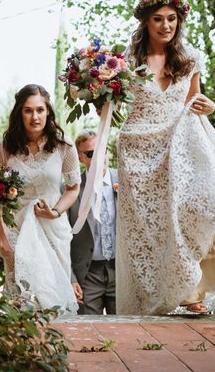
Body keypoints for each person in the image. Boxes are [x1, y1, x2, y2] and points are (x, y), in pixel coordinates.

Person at [116, 0, 215, 315]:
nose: (165, 25)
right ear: (145, 22)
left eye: (171, 19)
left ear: (179, 21)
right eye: (157, 19)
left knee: (190, 212)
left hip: (177, 146)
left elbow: (194, 100)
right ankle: (150, 298)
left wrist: (209, 105)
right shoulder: (126, 62)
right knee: (148, 227)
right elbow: (115, 105)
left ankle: (191, 291)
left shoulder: (190, 59)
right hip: (136, 151)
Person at [0, 84, 81, 314]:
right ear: (19, 113)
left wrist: (56, 211)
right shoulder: (4, 150)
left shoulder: (64, 146)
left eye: (40, 110)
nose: (35, 117)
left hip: (52, 229)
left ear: (48, 111)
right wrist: (1, 233)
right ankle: (23, 347)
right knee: (21, 297)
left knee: (53, 295)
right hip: (16, 231)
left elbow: (73, 188)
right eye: (28, 110)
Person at [67, 130, 118, 315]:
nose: (97, 158)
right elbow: (62, 236)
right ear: (80, 158)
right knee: (88, 330)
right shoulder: (72, 189)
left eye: (101, 151)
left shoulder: (124, 181)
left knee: (124, 329)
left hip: (120, 271)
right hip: (87, 275)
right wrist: (71, 278)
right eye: (90, 154)